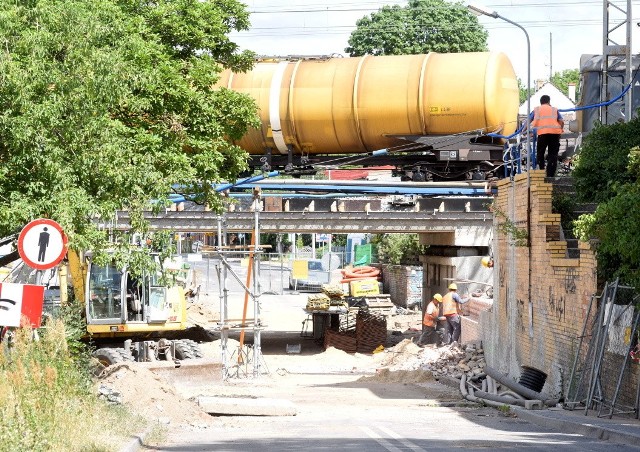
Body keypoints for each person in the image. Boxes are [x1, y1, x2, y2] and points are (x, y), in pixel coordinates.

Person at [530, 95, 564, 177]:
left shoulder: (536, 109)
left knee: (540, 153)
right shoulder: (554, 109)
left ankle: (541, 171)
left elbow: (528, 120)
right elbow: (561, 121)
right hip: (554, 134)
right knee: (553, 154)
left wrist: (523, 132)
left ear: (540, 102)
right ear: (549, 102)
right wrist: (560, 131)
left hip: (542, 134)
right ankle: (550, 175)